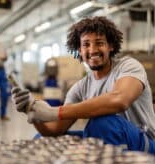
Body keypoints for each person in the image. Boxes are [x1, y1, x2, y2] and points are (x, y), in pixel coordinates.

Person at [12, 16, 155, 154]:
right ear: (79, 50)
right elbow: (54, 130)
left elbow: (119, 100)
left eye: (99, 43)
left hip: (144, 144)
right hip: (112, 138)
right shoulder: (80, 88)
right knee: (44, 140)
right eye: (86, 44)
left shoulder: (128, 66)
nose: (92, 50)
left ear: (110, 46)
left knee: (103, 124)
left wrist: (54, 112)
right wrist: (33, 113)